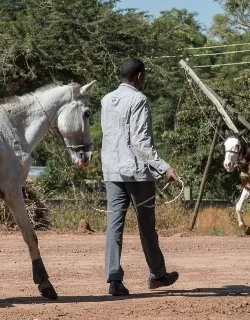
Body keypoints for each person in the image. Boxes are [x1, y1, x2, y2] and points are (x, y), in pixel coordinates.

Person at [100, 58, 180, 296]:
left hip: (112, 171)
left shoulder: (106, 100)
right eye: (144, 76)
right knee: (146, 226)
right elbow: (140, 142)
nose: (145, 80)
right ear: (139, 76)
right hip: (137, 174)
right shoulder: (138, 100)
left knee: (114, 226)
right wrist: (165, 168)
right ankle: (157, 275)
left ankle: (114, 280)